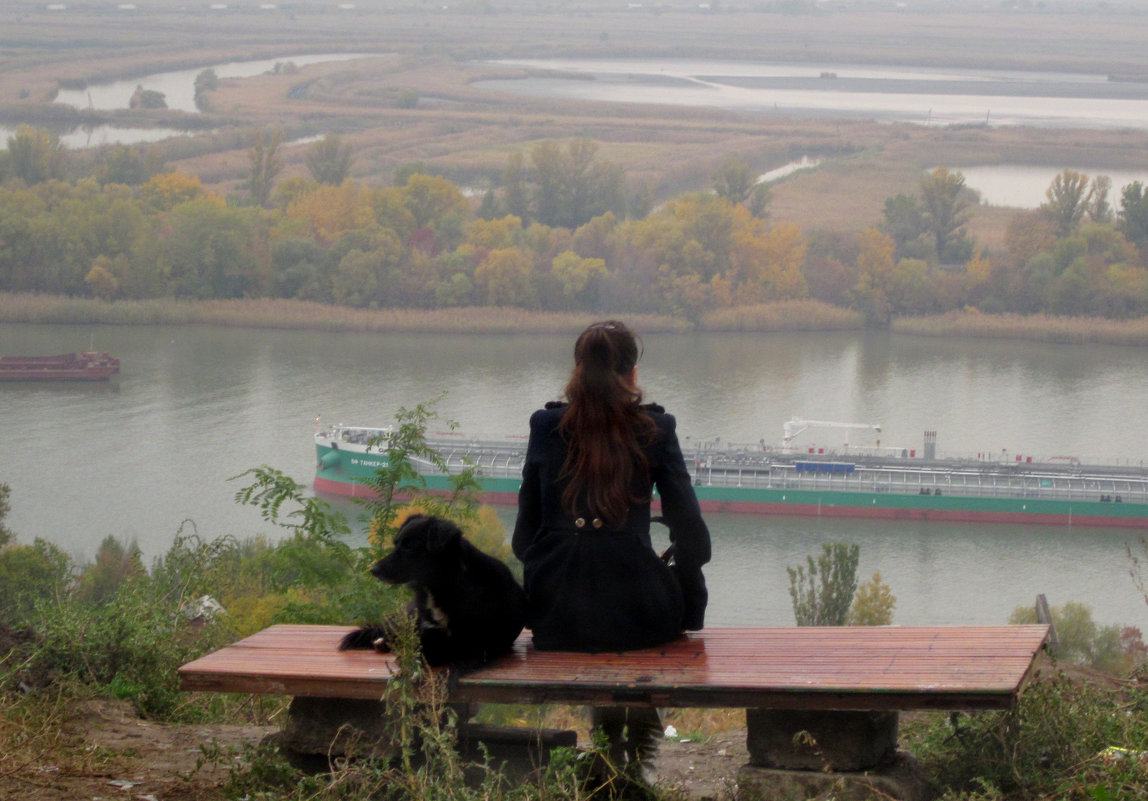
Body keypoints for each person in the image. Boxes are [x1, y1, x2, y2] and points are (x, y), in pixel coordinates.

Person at [511, 320, 711, 771]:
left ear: (577, 371)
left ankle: (607, 754)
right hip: (642, 617)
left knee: (596, 615)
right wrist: (678, 574)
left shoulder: (545, 426)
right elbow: (693, 534)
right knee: (635, 607)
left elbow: (524, 536)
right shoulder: (656, 427)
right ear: (632, 373)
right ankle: (634, 754)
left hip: (557, 617)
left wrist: (564, 567)